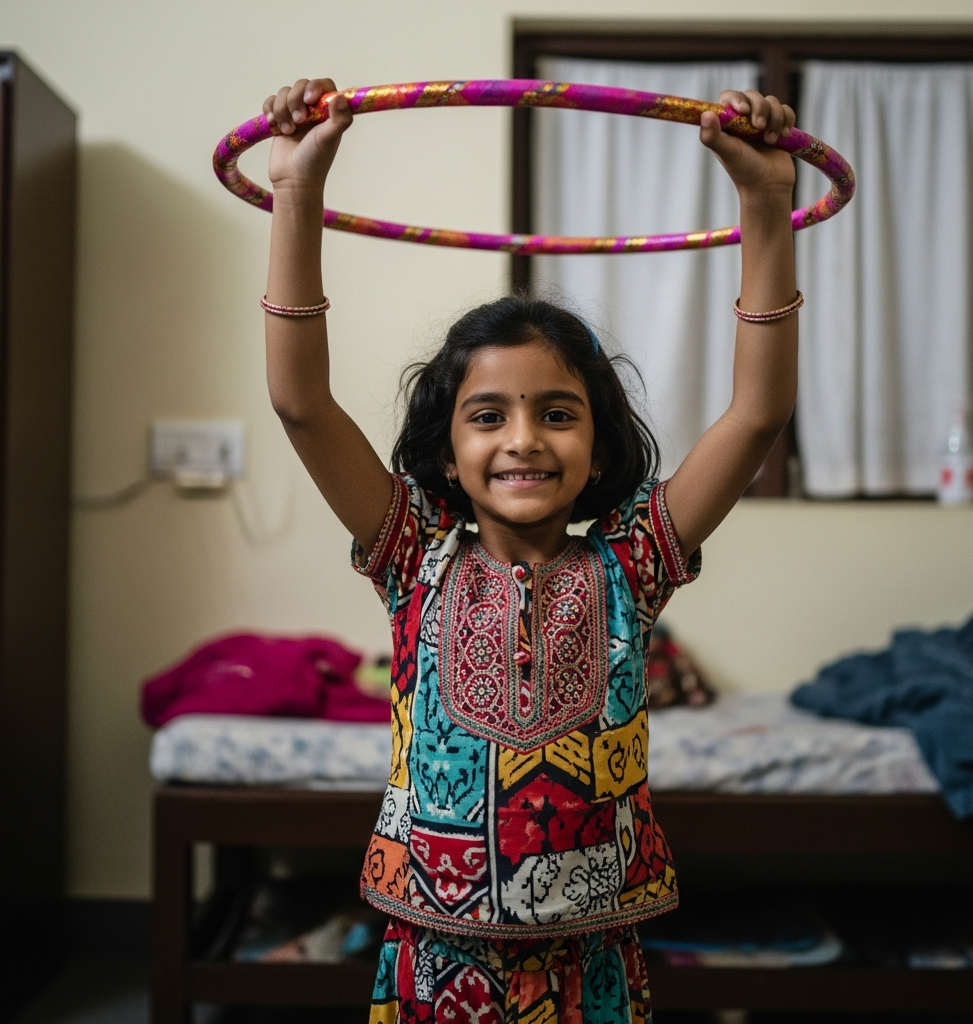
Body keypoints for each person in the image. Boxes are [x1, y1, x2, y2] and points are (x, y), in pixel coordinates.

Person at [261, 76, 799, 1024]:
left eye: (558, 414)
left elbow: (757, 415)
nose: (523, 439)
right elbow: (301, 403)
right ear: (447, 451)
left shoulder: (631, 566)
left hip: (591, 962)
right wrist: (299, 190)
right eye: (487, 416)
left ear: (596, 450)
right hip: (432, 956)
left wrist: (763, 206)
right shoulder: (411, 555)